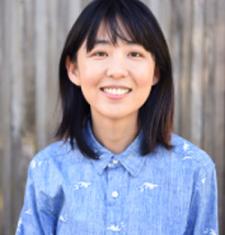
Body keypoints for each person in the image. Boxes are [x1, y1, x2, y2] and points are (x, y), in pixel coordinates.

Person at [16, 0, 219, 234]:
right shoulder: (48, 168)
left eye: (134, 53)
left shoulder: (194, 169)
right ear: (73, 69)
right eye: (100, 53)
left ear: (156, 72)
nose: (117, 71)